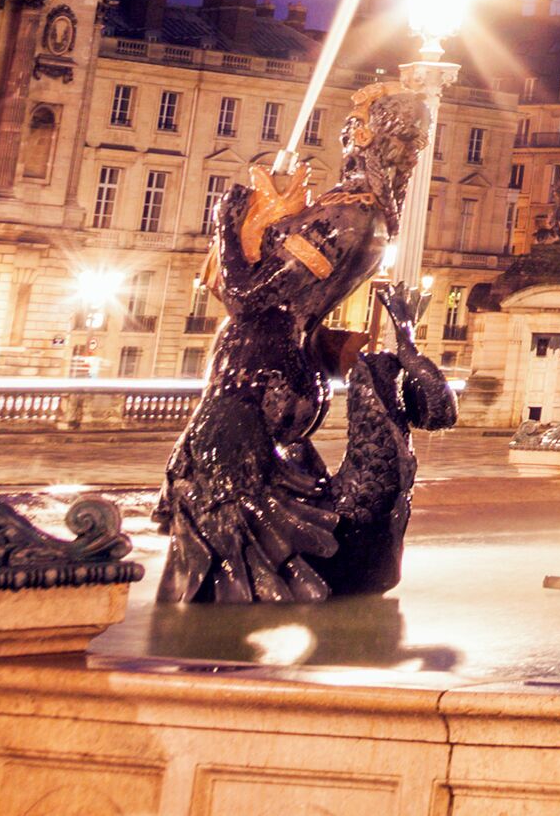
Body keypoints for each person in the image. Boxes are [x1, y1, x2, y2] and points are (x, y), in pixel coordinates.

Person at [157, 80, 447, 604]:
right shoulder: (369, 216)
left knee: (215, 513)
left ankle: (219, 622)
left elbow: (248, 297)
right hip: (295, 369)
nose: (347, 134)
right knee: (229, 513)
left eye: (353, 126)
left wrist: (228, 221)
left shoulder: (346, 215)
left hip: (253, 374)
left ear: (363, 134)